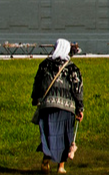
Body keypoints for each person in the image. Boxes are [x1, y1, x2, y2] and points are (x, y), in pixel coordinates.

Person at [31, 39, 84, 174]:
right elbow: (77, 89)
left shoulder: (44, 65)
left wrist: (35, 98)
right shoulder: (72, 68)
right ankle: (61, 167)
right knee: (65, 135)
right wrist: (80, 108)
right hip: (66, 107)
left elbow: (37, 83)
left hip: (47, 106)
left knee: (49, 134)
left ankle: (46, 160)